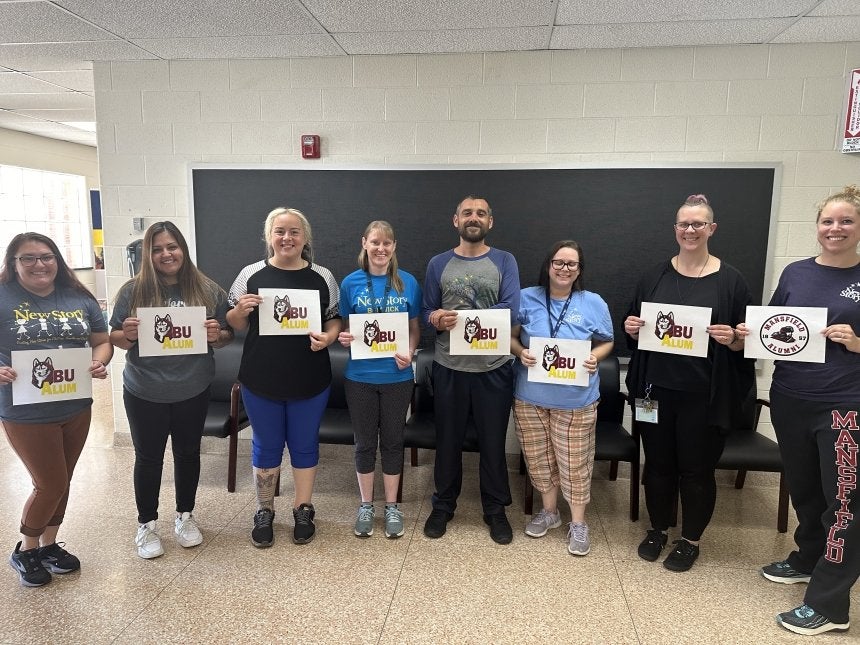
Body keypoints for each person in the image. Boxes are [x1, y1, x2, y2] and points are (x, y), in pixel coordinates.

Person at [624, 194, 754, 572]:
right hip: (654, 391)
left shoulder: (731, 280)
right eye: (684, 223)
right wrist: (630, 328)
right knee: (659, 465)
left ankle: (690, 539)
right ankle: (658, 529)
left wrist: (733, 337)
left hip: (704, 396)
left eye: (698, 224)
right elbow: (633, 323)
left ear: (711, 229)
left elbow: (748, 338)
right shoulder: (654, 276)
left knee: (696, 470)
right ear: (675, 229)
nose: (690, 230)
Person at [751, 186, 860, 636]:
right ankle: (808, 557)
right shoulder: (796, 272)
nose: (835, 229)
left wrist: (856, 341)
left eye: (846, 221)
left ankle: (830, 605)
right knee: (807, 491)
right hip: (790, 398)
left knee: (845, 503)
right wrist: (745, 334)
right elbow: (773, 327)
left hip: (844, 406)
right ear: (817, 227)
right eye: (827, 221)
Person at [110, 221, 233, 560]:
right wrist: (128, 334)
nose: (166, 254)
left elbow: (226, 336)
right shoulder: (131, 292)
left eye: (172, 247)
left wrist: (216, 336)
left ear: (183, 250)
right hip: (144, 390)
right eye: (158, 248)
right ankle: (146, 523)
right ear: (148, 254)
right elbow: (115, 339)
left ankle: (185, 516)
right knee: (148, 458)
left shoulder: (208, 289)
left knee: (188, 454)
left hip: (192, 388)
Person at [0, 233, 112, 587]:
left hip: (75, 404)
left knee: (64, 479)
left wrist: (98, 362)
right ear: (13, 263)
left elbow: (102, 340)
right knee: (50, 482)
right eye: (27, 258)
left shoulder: (78, 296)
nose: (38, 264)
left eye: (46, 256)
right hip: (25, 409)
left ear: (57, 260)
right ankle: (26, 549)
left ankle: (49, 545)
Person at [227, 207, 341, 547]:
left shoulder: (323, 276)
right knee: (266, 445)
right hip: (261, 379)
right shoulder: (250, 274)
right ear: (268, 236)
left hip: (310, 378)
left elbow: (335, 318)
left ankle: (303, 508)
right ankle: (265, 511)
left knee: (304, 445)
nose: (286, 238)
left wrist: (330, 337)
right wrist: (239, 311)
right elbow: (234, 323)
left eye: (294, 232)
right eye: (280, 231)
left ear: (304, 238)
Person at [422, 195, 520, 544]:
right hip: (449, 366)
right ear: (456, 220)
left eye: (480, 213)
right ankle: (443, 505)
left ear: (490, 221)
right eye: (467, 213)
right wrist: (434, 317)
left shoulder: (505, 261)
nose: (473, 218)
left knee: (493, 443)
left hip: (493, 368)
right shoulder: (438, 263)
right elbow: (426, 311)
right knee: (447, 440)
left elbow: (512, 309)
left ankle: (495, 509)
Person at [510, 240, 614, 556]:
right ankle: (550, 512)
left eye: (571, 264)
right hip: (530, 397)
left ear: (579, 270)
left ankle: (579, 523)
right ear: (548, 265)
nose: (564, 269)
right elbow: (510, 336)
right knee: (539, 460)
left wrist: (596, 356)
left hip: (576, 399)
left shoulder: (593, 302)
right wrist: (521, 351)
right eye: (559, 262)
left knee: (574, 463)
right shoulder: (526, 297)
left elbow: (607, 342)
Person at [337, 221, 421, 539]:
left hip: (397, 376)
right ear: (365, 244)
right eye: (375, 242)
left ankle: (392, 507)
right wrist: (345, 338)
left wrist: (411, 351)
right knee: (364, 444)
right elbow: (348, 328)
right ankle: (366, 505)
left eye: (387, 243)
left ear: (394, 246)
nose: (381, 248)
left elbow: (415, 328)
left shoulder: (407, 283)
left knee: (393, 442)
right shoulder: (350, 283)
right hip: (359, 377)